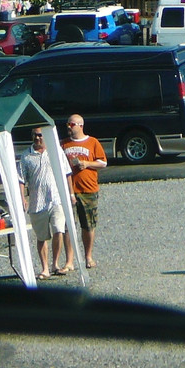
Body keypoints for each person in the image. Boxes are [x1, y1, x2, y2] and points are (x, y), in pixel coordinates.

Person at [18, 127, 71, 279]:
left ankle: (55, 264)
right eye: (34, 135)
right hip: (37, 202)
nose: (37, 138)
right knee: (41, 237)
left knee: (58, 230)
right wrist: (22, 198)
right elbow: (21, 179)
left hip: (56, 199)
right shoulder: (26, 156)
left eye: (40, 135)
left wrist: (70, 193)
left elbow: (67, 172)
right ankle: (45, 268)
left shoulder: (56, 152)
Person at [61, 114, 107, 270]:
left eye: (71, 124)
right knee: (68, 226)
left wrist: (86, 163)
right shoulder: (64, 144)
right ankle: (69, 261)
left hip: (88, 189)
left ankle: (88, 256)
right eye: (67, 124)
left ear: (80, 125)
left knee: (88, 225)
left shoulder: (92, 142)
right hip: (68, 191)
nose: (68, 127)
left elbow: (103, 162)